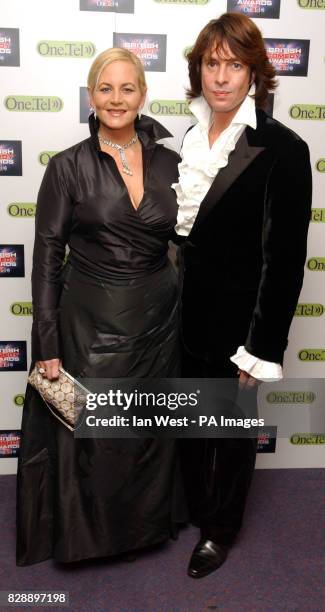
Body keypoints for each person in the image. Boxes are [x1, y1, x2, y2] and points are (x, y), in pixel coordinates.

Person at [16, 47, 187, 566]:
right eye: (106, 89)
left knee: (147, 433)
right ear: (92, 97)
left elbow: (189, 240)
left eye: (127, 88)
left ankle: (145, 528)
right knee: (97, 437)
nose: (117, 99)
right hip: (90, 325)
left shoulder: (172, 161)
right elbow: (46, 257)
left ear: (143, 95)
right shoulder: (68, 167)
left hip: (159, 324)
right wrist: (46, 343)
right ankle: (93, 540)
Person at [173, 13, 312, 579]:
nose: (222, 77)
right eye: (212, 63)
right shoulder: (183, 136)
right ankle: (195, 509)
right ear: (198, 70)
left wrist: (262, 346)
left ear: (255, 73)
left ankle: (219, 531)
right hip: (183, 317)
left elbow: (284, 260)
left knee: (231, 434)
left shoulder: (283, 147)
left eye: (235, 65)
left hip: (240, 324)